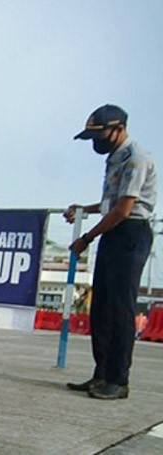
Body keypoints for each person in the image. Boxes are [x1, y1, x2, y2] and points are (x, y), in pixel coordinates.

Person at [65, 104, 156, 400]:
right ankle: (101, 374)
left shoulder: (136, 158)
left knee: (120, 309)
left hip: (130, 234)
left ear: (118, 128)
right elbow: (110, 204)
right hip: (113, 231)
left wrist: (87, 238)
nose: (96, 142)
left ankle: (119, 381)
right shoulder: (115, 157)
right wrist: (85, 209)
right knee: (101, 307)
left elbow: (124, 209)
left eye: (99, 135)